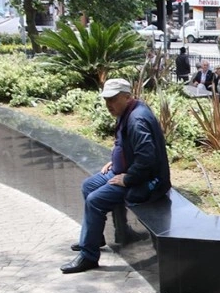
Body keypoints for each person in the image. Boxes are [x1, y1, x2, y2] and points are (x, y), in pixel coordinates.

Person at [61, 79, 172, 274]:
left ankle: (89, 256)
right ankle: (96, 237)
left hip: (146, 182)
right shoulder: (127, 111)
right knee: (89, 186)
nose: (108, 104)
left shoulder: (137, 119)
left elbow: (147, 160)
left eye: (113, 99)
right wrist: (117, 159)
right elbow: (125, 143)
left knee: (95, 200)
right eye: (106, 99)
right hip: (124, 170)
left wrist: (127, 179)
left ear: (127, 97)